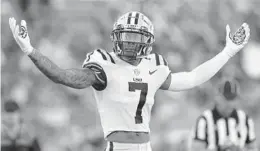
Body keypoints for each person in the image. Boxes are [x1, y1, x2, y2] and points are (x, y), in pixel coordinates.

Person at [9, 11, 250, 151]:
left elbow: (192, 78)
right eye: (126, 36)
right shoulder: (104, 63)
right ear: (116, 36)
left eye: (135, 37)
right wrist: (30, 50)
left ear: (147, 40)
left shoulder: (153, 65)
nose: (130, 42)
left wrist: (228, 51)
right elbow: (63, 77)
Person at [191, 79, 257, 151]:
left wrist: (239, 149)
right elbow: (197, 149)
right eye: (227, 98)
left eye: (233, 98)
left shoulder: (245, 119)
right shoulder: (204, 119)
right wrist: (219, 148)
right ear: (217, 97)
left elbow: (253, 148)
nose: (230, 103)